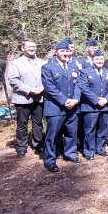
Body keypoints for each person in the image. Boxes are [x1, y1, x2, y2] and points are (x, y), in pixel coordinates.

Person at [41, 37, 82, 172]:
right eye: (63, 51)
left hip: (73, 106)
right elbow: (49, 87)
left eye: (68, 51)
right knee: (53, 135)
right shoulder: (47, 67)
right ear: (56, 52)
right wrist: (65, 101)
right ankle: (50, 160)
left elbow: (79, 85)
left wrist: (75, 99)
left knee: (71, 132)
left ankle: (70, 154)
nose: (66, 53)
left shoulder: (73, 66)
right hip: (56, 107)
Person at [6, 38, 46, 158]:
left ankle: (38, 144)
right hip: (23, 98)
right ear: (23, 48)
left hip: (39, 97)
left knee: (38, 123)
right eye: (29, 46)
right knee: (22, 124)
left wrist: (43, 88)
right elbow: (13, 80)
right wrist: (29, 90)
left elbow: (47, 78)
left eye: (34, 46)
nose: (32, 48)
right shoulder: (16, 63)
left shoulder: (42, 62)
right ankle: (21, 147)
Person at [79, 50, 108, 159]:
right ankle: (89, 152)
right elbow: (84, 88)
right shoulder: (85, 72)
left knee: (103, 129)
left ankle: (100, 148)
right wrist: (96, 100)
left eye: (101, 59)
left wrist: (106, 99)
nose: (99, 61)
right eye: (97, 59)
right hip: (90, 107)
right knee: (90, 129)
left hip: (105, 106)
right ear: (92, 60)